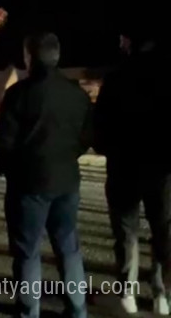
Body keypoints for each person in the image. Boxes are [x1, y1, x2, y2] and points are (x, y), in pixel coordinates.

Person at [0, 32, 92, 318]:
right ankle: (77, 310)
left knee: (27, 252)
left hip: (28, 185)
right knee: (69, 248)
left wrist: (11, 170)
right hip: (67, 181)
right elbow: (86, 136)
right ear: (57, 56)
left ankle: (29, 312)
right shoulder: (76, 94)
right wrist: (68, 156)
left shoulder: (19, 94)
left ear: (29, 57)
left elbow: (4, 141)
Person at [94, 30, 169, 315]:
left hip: (123, 168)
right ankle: (161, 292)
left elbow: (99, 131)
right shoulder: (167, 79)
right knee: (162, 230)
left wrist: (109, 149)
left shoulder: (115, 80)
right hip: (161, 170)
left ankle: (128, 291)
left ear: (129, 45)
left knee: (127, 231)